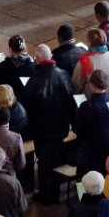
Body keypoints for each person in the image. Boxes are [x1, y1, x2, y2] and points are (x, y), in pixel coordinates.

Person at [21, 45, 72, 205]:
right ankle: (56, 192)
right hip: (60, 127)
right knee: (56, 159)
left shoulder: (35, 79)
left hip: (41, 130)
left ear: (37, 59)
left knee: (44, 162)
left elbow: (25, 105)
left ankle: (45, 195)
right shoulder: (63, 75)